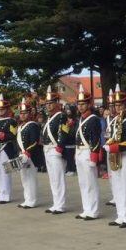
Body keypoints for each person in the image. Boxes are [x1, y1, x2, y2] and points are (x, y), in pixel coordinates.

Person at [104, 84, 126, 228]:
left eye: (120, 105)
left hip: (125, 157)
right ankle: (120, 215)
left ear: (125, 105)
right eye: (116, 105)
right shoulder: (114, 121)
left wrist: (113, 147)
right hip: (115, 157)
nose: (118, 107)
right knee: (117, 187)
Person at [41, 86, 71, 214]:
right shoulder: (49, 118)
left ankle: (61, 205)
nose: (48, 106)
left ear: (56, 103)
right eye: (47, 104)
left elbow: (63, 132)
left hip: (55, 149)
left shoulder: (61, 116)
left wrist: (60, 146)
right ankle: (56, 203)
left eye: (50, 103)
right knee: (53, 179)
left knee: (58, 178)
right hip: (48, 149)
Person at [74, 85, 102, 219]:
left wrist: (94, 156)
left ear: (89, 104)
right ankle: (86, 208)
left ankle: (93, 210)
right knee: (83, 183)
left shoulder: (94, 119)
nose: (80, 106)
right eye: (79, 104)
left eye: (83, 104)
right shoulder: (80, 119)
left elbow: (96, 138)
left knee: (91, 183)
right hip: (79, 152)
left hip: (88, 152)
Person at [0, 94, 18, 204]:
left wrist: (1, 135)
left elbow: (13, 135)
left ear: (7, 109)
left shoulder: (11, 121)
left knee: (5, 172)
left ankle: (6, 195)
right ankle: (1, 193)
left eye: (3, 109)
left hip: (6, 148)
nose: (0, 111)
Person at [16, 98, 41, 209]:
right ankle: (27, 199)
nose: (22, 115)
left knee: (31, 179)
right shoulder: (20, 126)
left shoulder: (33, 125)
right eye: (21, 113)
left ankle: (32, 200)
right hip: (22, 155)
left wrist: (27, 152)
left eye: (25, 113)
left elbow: (34, 141)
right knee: (24, 179)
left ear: (29, 113)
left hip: (31, 156)